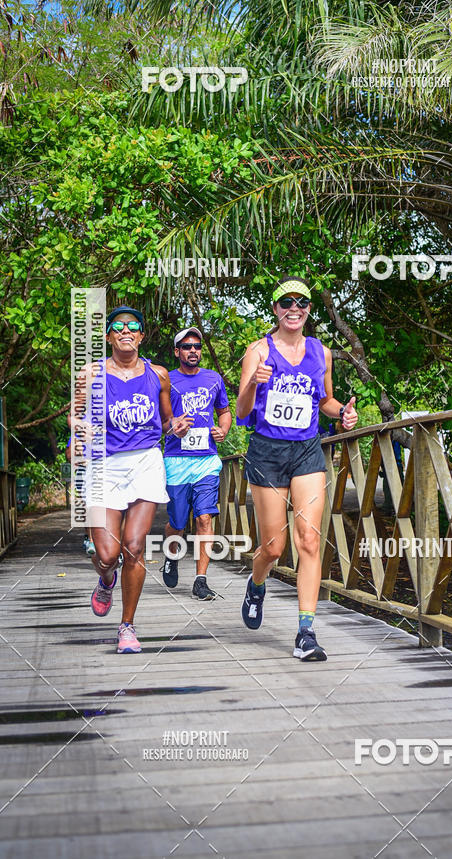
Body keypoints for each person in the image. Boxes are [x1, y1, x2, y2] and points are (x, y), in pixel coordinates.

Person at [236, 276, 358, 661]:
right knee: (274, 547)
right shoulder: (257, 351)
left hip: (306, 451)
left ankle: (306, 632)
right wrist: (253, 385)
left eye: (301, 303)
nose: (294, 309)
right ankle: (257, 585)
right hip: (267, 452)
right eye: (286, 302)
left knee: (308, 539)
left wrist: (343, 413)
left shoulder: (320, 352)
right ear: (275, 309)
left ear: (308, 311)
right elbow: (241, 412)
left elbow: (324, 399)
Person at [70, 306, 188, 654]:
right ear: (108, 336)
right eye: (118, 326)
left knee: (135, 547)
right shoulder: (89, 374)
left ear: (141, 335)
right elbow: (74, 420)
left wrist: (175, 427)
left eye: (132, 326)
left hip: (145, 461)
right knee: (107, 554)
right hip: (104, 464)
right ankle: (106, 578)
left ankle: (127, 627)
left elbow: (167, 422)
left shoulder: (159, 375)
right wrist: (80, 431)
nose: (125, 330)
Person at [161, 327, 232, 599]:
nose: (193, 350)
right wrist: (173, 428)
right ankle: (171, 554)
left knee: (204, 517)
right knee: (177, 522)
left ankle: (201, 580)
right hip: (177, 460)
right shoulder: (166, 379)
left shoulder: (213, 378)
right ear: (177, 351)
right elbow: (159, 421)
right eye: (187, 346)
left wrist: (223, 430)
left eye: (197, 346)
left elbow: (224, 412)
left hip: (206, 460)